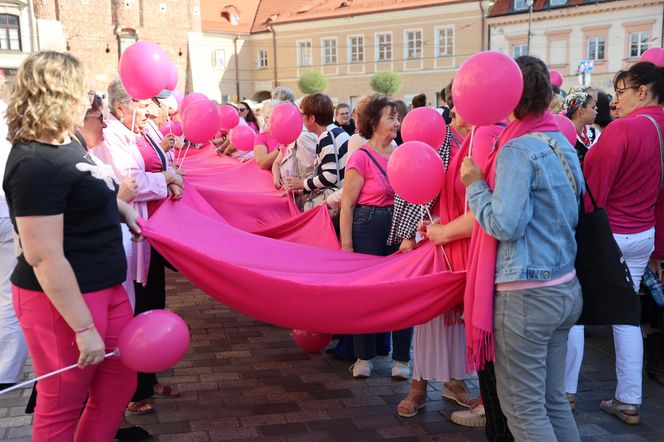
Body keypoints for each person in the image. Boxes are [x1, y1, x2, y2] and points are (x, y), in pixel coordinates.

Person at [3, 50, 141, 441]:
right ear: (57, 95)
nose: (91, 101)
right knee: (63, 401)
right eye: (83, 92)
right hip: (62, 299)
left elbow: (84, 194)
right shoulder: (34, 161)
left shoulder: (68, 145)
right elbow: (43, 254)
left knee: (117, 385)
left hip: (106, 286)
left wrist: (119, 210)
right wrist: (82, 327)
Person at [461, 55, 584, 441]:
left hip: (526, 295)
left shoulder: (516, 150)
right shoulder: (560, 140)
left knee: (525, 412)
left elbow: (505, 224)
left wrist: (475, 184)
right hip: (564, 285)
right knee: (553, 402)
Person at [570, 61, 664, 426]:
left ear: (642, 91)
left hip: (610, 234)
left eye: (622, 91)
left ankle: (565, 392)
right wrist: (658, 249)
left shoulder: (625, 129)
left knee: (579, 311)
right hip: (644, 235)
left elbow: (592, 192)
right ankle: (629, 399)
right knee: (627, 317)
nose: (617, 100)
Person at [93, 79, 184, 416]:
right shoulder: (113, 135)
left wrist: (171, 177)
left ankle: (148, 379)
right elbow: (130, 183)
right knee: (135, 311)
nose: (149, 110)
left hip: (152, 234)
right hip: (132, 236)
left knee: (151, 305)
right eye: (143, 104)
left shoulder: (138, 131)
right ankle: (134, 390)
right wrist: (166, 181)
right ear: (122, 106)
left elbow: (157, 168)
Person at [394, 120, 497, 418]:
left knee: (463, 321)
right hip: (440, 241)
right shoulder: (442, 137)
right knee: (432, 318)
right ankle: (418, 386)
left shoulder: (490, 136)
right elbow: (418, 182)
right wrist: (412, 233)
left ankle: (456, 381)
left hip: (475, 243)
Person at [340, 95, 413, 379]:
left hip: (400, 225)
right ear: (373, 122)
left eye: (397, 117)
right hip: (367, 225)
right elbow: (347, 204)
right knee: (364, 294)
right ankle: (363, 357)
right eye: (390, 117)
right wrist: (347, 247)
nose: (397, 123)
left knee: (404, 291)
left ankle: (402, 360)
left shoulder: (403, 154)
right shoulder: (361, 156)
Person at [0, 72, 26, 393]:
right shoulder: (9, 121)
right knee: (9, 295)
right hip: (8, 214)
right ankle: (6, 371)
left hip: (8, 214)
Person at [283, 94, 350, 217]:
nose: (300, 118)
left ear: (312, 118)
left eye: (302, 114)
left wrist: (302, 184)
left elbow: (330, 177)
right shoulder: (335, 132)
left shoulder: (327, 137)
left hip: (340, 200)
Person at [562, 91, 597, 165]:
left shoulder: (592, 132)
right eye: (593, 108)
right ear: (581, 109)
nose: (596, 112)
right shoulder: (566, 137)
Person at [253, 100, 284, 170]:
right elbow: (262, 164)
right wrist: (282, 148)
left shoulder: (291, 133)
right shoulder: (261, 137)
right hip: (273, 178)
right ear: (266, 118)